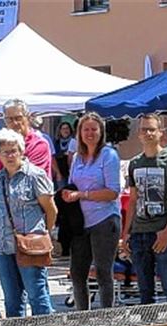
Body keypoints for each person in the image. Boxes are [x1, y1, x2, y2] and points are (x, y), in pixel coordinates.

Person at [120, 112, 167, 308]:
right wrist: (127, 233)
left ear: (160, 133)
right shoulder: (134, 163)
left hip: (163, 232)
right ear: (139, 134)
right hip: (139, 233)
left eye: (151, 129)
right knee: (144, 290)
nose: (147, 133)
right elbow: (132, 200)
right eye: (143, 130)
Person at [0, 128, 56, 318]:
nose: (10, 155)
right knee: (11, 299)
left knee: (37, 296)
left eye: (13, 150)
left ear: (21, 151)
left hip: (29, 245)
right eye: (5, 152)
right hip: (2, 245)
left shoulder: (35, 175)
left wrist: (43, 235)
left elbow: (51, 210)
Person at [61, 111, 121, 311]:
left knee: (104, 272)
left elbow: (113, 192)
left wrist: (82, 195)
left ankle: (106, 317)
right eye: (85, 129)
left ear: (101, 131)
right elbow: (73, 185)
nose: (89, 133)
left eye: (94, 129)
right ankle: (82, 318)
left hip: (104, 220)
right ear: (79, 133)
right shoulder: (77, 157)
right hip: (81, 223)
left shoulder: (109, 155)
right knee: (77, 273)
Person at [0, 99, 53, 178]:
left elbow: (29, 178)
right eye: (9, 119)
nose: (14, 123)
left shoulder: (39, 144)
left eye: (18, 118)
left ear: (28, 118)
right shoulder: (3, 145)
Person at [52, 121, 75, 187]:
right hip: (60, 172)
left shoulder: (74, 141)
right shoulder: (56, 142)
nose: (65, 130)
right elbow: (53, 157)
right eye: (63, 129)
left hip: (71, 172)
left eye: (67, 128)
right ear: (60, 131)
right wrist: (57, 173)